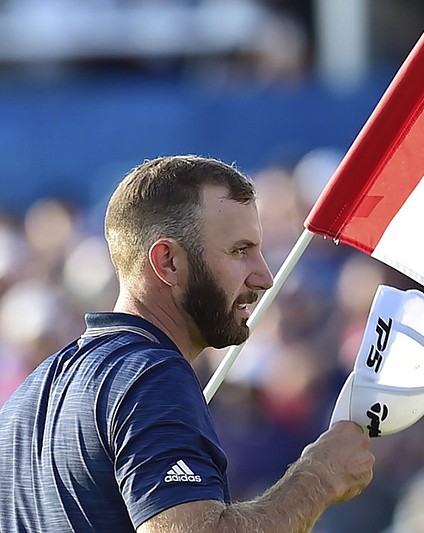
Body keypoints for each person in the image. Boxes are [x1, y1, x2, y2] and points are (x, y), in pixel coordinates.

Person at [0, 155, 374, 532]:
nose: (265, 276)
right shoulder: (151, 375)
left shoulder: (26, 397)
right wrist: (318, 478)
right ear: (168, 263)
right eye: (240, 251)